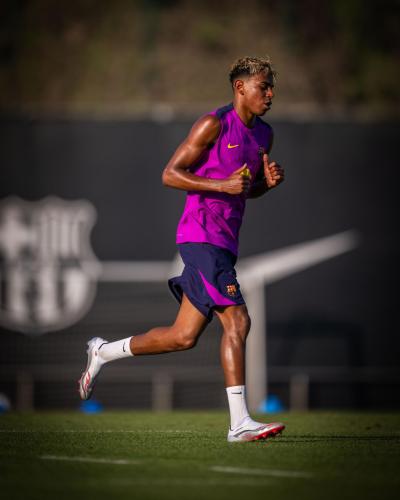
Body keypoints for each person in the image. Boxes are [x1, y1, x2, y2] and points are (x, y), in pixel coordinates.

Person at [79, 56, 285, 442]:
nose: (271, 94)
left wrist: (265, 186)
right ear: (240, 87)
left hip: (225, 243)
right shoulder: (213, 124)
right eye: (264, 87)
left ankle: (103, 351)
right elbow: (170, 174)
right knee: (238, 321)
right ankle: (239, 423)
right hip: (200, 236)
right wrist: (221, 185)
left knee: (182, 336)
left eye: (272, 87)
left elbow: (245, 189)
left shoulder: (265, 135)